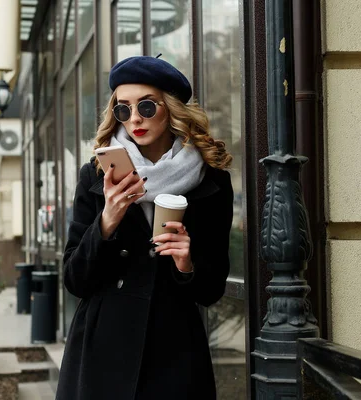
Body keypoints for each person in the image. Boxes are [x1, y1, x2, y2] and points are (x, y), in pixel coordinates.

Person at [56, 56, 234, 400]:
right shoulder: (96, 175)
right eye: (123, 109)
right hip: (102, 349)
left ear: (171, 109)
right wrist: (107, 221)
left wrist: (188, 264)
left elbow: (211, 290)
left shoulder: (211, 182)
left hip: (175, 350)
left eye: (147, 106)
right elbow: (74, 280)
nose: (134, 118)